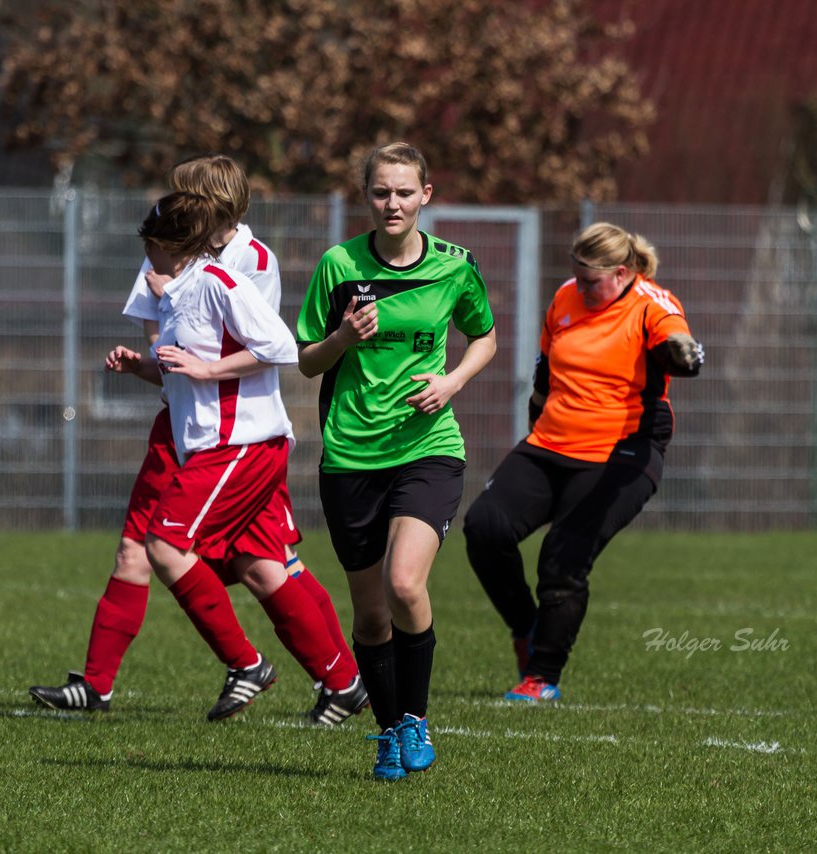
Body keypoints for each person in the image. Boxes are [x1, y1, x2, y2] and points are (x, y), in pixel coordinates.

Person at [30, 157, 365, 725]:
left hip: (237, 439)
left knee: (245, 558)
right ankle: (97, 683)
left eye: (188, 197)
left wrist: (201, 368)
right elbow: (172, 348)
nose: (178, 204)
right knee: (164, 551)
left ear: (210, 212)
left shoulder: (238, 265)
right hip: (186, 431)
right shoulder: (171, 260)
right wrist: (148, 364)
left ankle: (282, 669)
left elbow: (264, 348)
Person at [296, 142, 497, 781]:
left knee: (406, 584)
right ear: (367, 197)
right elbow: (306, 360)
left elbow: (484, 335)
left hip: (427, 447)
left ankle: (414, 718)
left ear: (426, 196)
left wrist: (453, 382)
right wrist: (341, 340)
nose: (393, 203)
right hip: (352, 455)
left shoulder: (456, 266)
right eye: (382, 192)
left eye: (405, 192)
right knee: (371, 612)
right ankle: (387, 732)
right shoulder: (337, 265)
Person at [462, 221, 703, 703]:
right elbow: (545, 373)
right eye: (577, 276)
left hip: (623, 451)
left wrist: (683, 353)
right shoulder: (567, 297)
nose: (582, 288)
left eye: (592, 281)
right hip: (552, 440)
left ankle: (541, 676)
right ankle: (526, 627)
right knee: (484, 527)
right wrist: (532, 428)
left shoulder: (651, 303)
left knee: (563, 558)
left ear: (620, 273)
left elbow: (679, 346)